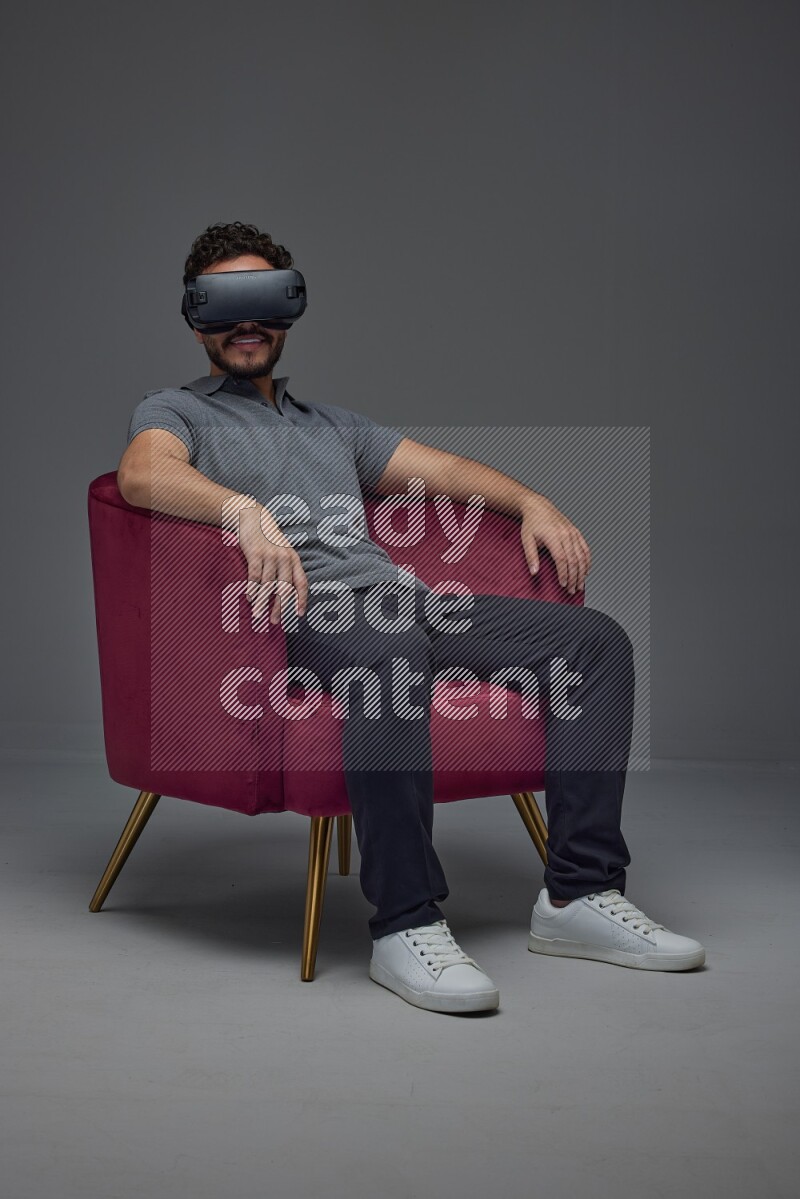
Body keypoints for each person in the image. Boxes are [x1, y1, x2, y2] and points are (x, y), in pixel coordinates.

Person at [118, 220, 705, 1015]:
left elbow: (446, 469)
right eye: (225, 306)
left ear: (288, 311)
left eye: (263, 301)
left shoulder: (333, 426)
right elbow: (141, 474)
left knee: (595, 645)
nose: (245, 324)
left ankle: (578, 895)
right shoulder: (177, 410)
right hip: (300, 617)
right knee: (388, 653)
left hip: (407, 604)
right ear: (196, 320)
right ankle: (406, 924)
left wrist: (532, 499)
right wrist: (242, 512)